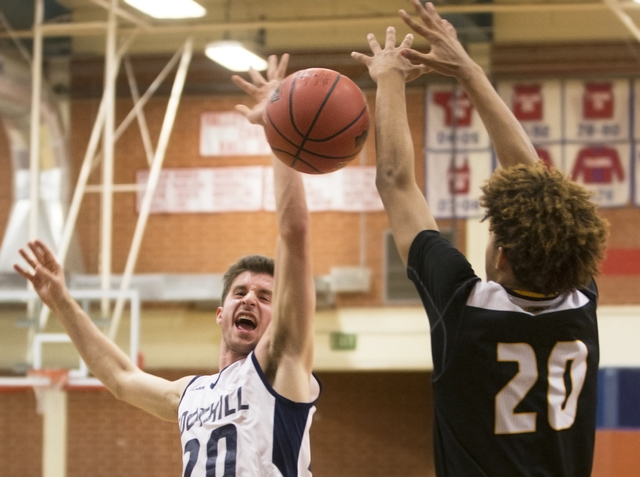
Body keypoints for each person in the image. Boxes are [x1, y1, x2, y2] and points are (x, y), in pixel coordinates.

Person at [14, 54, 320, 477]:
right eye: (240, 292)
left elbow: (295, 232)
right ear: (221, 313)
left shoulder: (280, 364)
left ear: (278, 316)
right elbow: (121, 378)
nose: (250, 298)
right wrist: (62, 302)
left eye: (265, 296)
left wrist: (278, 126)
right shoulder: (190, 394)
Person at [352, 1, 609, 476]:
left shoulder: (465, 306)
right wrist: (466, 72)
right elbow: (533, 183)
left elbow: (394, 179)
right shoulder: (579, 301)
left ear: (503, 256)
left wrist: (392, 77)